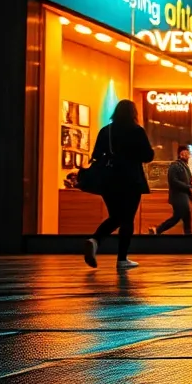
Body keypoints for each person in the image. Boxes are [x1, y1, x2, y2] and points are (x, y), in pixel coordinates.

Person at [84, 99, 154, 270]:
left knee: (116, 216)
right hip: (130, 179)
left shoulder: (106, 131)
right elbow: (147, 156)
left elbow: (96, 155)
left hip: (109, 180)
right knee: (127, 219)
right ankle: (122, 259)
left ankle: (95, 240)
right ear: (133, 113)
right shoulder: (137, 131)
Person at [149, 145, 192, 236]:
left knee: (180, 217)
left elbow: (189, 180)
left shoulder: (185, 166)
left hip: (183, 197)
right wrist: (187, 187)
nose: (188, 156)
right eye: (186, 153)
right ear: (181, 154)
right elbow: (173, 180)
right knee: (182, 216)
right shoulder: (175, 165)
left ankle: (158, 230)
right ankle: (158, 230)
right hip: (178, 197)